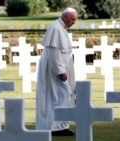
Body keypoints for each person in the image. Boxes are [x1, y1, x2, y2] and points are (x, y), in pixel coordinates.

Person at [36, 7, 77, 136]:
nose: (73, 22)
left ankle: (61, 125)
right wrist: (61, 72)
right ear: (64, 17)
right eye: (72, 19)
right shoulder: (55, 28)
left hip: (60, 70)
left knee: (63, 96)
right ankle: (55, 127)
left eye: (75, 20)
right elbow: (54, 53)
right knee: (62, 95)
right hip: (54, 71)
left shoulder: (62, 28)